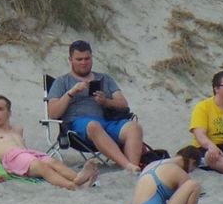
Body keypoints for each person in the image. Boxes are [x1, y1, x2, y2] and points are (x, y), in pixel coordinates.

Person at [45, 40, 147, 174]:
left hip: (106, 123)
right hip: (78, 127)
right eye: (79, 59)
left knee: (134, 127)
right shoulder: (62, 81)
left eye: (87, 58)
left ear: (92, 58)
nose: (83, 62)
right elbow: (53, 113)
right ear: (70, 60)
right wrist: (71, 93)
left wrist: (106, 102)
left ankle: (133, 169)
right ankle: (127, 165)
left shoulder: (105, 78)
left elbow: (123, 104)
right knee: (93, 125)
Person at [0, 95, 100, 189]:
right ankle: (72, 186)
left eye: (0, 109)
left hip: (27, 154)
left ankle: (78, 178)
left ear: (9, 112)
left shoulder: (17, 129)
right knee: (41, 167)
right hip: (11, 158)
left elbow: (23, 151)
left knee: (53, 162)